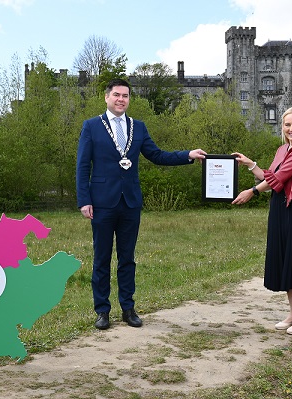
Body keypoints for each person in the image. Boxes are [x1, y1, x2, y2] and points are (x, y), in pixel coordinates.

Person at [76, 78, 206, 330]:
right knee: (101, 259)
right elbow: (83, 166)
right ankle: (102, 311)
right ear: (107, 97)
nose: (121, 99)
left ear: (129, 99)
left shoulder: (138, 127)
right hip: (101, 203)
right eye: (116, 95)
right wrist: (84, 200)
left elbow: (157, 156)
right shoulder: (91, 126)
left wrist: (187, 155)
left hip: (130, 203)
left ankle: (128, 308)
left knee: (128, 259)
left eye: (125, 96)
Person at [231, 106, 292, 335]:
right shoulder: (282, 150)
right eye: (287, 125)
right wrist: (250, 164)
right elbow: (270, 177)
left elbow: (278, 178)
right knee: (285, 258)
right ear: (283, 127)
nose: (291, 129)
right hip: (280, 207)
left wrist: (252, 192)